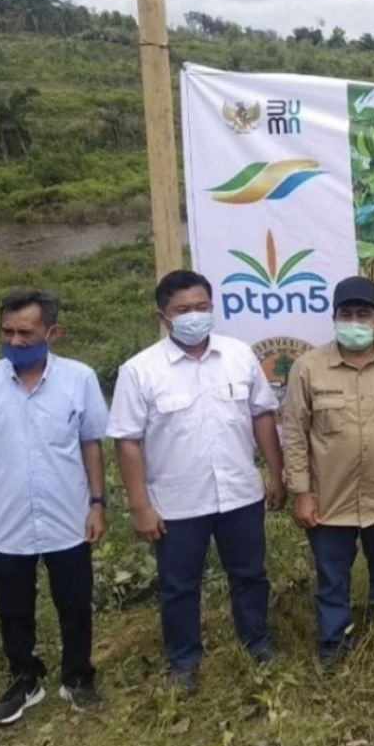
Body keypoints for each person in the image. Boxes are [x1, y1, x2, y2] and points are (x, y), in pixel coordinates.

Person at [106, 270, 285, 696]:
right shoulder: (140, 371)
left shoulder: (240, 356)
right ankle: (184, 663)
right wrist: (140, 506)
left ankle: (256, 642)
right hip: (176, 503)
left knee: (249, 575)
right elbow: (127, 442)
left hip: (240, 493)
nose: (195, 316)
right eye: (183, 310)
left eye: (202, 307)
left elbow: (262, 415)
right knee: (178, 587)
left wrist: (276, 474)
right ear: (163, 316)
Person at [282, 276, 374, 665]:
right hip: (329, 501)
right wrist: (301, 493)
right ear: (334, 318)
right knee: (332, 578)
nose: (354, 321)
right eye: (346, 314)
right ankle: (333, 648)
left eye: (362, 314)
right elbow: (295, 435)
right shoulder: (308, 368)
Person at [0, 290, 108, 725]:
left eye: (25, 333)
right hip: (5, 517)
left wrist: (98, 503)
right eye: (7, 331)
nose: (14, 341)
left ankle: (77, 678)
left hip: (67, 515)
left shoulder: (80, 379)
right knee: (13, 606)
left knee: (74, 601)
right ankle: (24, 680)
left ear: (53, 333)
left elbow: (90, 443)